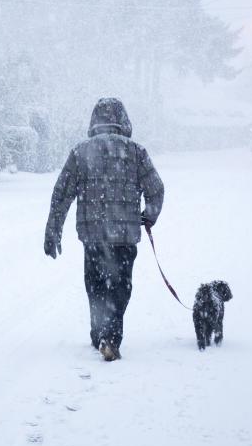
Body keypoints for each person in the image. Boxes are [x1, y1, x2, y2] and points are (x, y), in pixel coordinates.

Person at [44, 98, 164, 362]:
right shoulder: (136, 152)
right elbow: (156, 189)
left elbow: (61, 194)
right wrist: (149, 216)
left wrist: (53, 230)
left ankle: (100, 332)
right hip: (124, 237)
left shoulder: (81, 152)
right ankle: (110, 337)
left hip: (94, 235)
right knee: (121, 285)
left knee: (95, 283)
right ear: (123, 121)